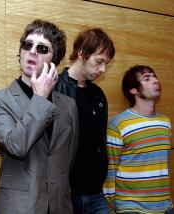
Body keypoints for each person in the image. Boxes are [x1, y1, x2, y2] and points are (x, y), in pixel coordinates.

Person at [0, 19, 78, 214]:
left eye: (43, 48)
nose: (32, 51)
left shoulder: (69, 105)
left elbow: (67, 160)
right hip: (18, 206)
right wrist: (40, 98)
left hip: (60, 205)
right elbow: (17, 146)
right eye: (28, 45)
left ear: (55, 60)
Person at [54, 27, 115, 214]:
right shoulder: (53, 87)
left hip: (96, 193)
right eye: (99, 61)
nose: (103, 69)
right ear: (82, 53)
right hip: (66, 194)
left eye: (106, 64)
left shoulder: (98, 95)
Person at [103, 65, 174, 214]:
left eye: (155, 77)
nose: (155, 81)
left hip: (165, 207)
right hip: (131, 209)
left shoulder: (165, 122)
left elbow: (165, 166)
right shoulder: (119, 124)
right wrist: (111, 208)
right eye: (147, 79)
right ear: (133, 90)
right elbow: (109, 171)